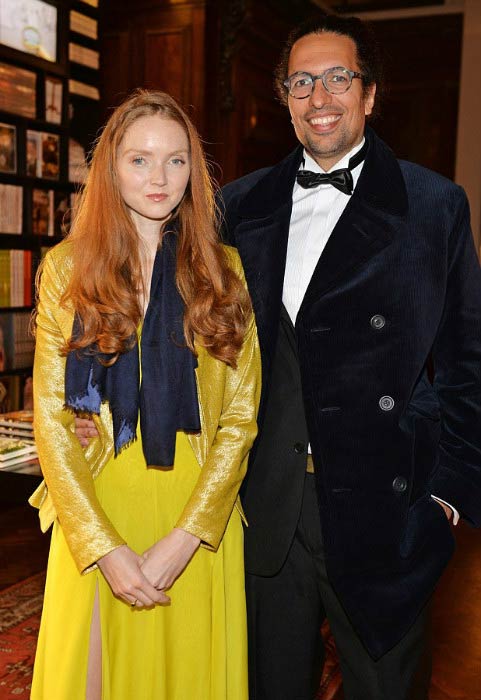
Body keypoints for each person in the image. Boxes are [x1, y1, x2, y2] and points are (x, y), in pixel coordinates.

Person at [219, 13, 481, 700]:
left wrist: (447, 494)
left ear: (368, 93)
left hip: (384, 505)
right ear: (282, 97)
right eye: (301, 82)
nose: (319, 97)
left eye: (338, 78)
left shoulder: (432, 205)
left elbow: (467, 361)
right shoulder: (237, 207)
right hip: (265, 504)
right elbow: (202, 352)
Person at [29, 89, 261, 700]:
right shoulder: (65, 269)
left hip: (197, 511)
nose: (159, 177)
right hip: (99, 505)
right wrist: (103, 547)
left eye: (176, 160)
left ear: (195, 170)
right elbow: (52, 420)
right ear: (111, 168)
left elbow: (240, 417)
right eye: (139, 160)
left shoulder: (224, 271)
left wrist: (186, 538)